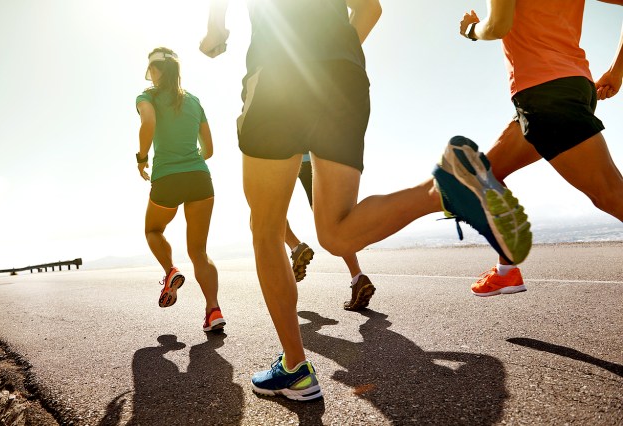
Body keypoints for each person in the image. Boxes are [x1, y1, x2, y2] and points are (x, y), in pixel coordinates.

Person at [201, 0, 531, 401]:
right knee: (337, 233)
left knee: (266, 229)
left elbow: (217, 30)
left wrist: (215, 31)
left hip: (278, 75)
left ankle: (294, 368)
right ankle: (444, 189)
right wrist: (331, 56)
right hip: (344, 77)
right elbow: (371, 10)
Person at [459, 1, 623, 297]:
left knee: (611, 195)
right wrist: (616, 72)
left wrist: (471, 30)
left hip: (545, 92)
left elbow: (497, 26)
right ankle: (506, 272)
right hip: (568, 87)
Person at [136, 47, 226, 332]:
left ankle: (170, 270)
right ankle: (213, 311)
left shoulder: (146, 97)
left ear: (155, 70)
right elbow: (209, 149)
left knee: (153, 230)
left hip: (167, 179)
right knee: (199, 251)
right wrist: (191, 157)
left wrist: (142, 158)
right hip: (199, 176)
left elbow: (148, 122)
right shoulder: (194, 100)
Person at [285, 154, 376, 311]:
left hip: (281, 155)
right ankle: (357, 276)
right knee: (331, 218)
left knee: (265, 213)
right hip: (313, 155)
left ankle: (295, 247)